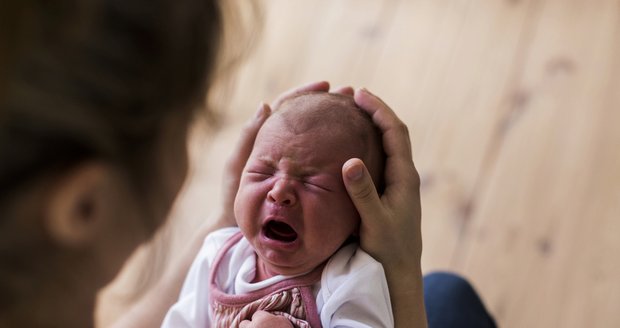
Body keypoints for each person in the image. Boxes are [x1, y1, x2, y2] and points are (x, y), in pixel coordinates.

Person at [0, 1, 495, 327]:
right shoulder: (223, 260)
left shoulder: (344, 279)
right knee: (447, 298)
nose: (278, 191)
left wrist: (225, 215)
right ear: (85, 204)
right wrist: (404, 276)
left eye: (314, 184)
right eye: (189, 120)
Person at [163, 92, 393, 327]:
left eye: (313, 183)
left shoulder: (351, 281)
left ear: (359, 216)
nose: (280, 192)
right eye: (263, 172)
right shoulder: (219, 256)